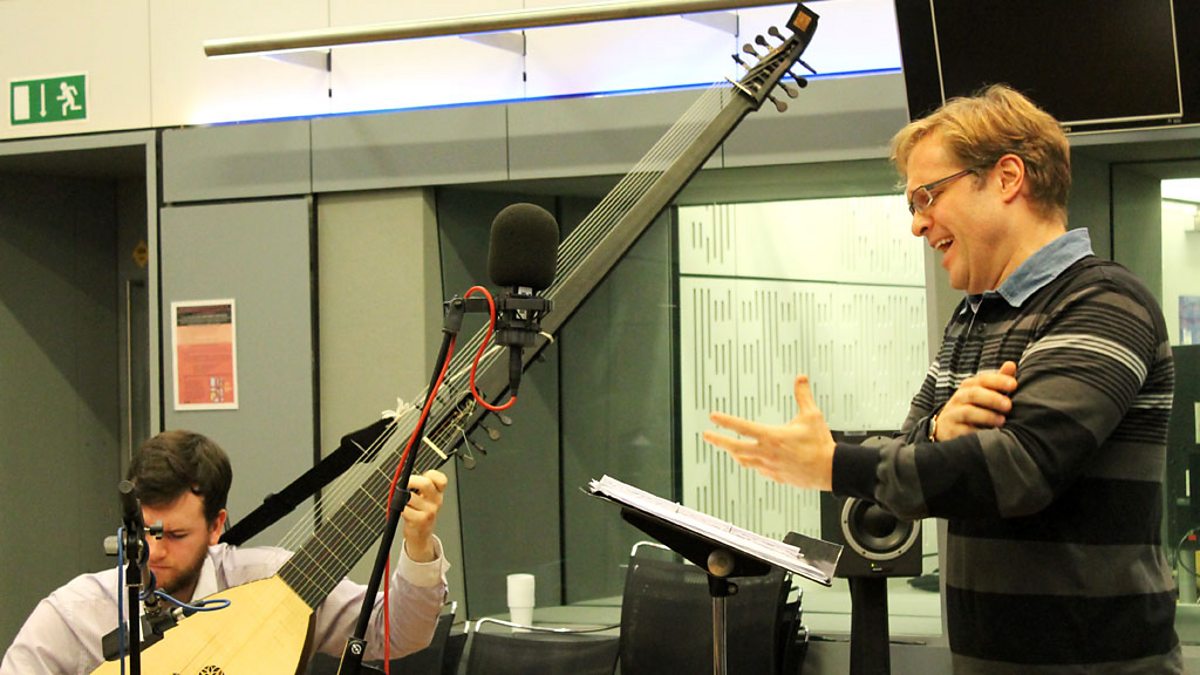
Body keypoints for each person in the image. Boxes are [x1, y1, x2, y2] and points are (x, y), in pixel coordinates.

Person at [703, 84, 1181, 672]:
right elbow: (910, 457)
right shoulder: (971, 318)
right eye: (912, 205)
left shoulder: (1104, 302)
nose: (917, 225)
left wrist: (834, 464)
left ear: (1007, 178)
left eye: (927, 196)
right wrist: (939, 430)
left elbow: (1021, 469)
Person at [1, 429, 451, 674]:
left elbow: (398, 634)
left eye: (176, 535)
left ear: (217, 525)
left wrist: (418, 544)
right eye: (145, 532)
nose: (155, 551)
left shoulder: (277, 585)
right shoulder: (74, 614)